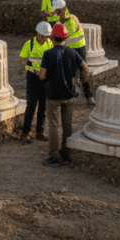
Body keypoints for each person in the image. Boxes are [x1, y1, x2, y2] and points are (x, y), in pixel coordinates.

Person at [37, 22, 89, 167]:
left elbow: (42, 75)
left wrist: (38, 73)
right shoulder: (73, 53)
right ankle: (66, 153)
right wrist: (81, 82)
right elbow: (85, 68)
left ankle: (53, 157)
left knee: (53, 125)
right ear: (66, 37)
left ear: (53, 37)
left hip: (53, 95)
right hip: (69, 95)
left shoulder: (48, 54)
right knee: (67, 125)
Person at [52, 0, 94, 106]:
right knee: (70, 72)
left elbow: (66, 33)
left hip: (80, 48)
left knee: (84, 70)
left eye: (58, 10)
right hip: (68, 50)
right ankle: (73, 91)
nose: (57, 13)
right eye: (56, 11)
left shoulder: (72, 18)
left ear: (64, 8)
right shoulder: (58, 23)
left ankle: (89, 95)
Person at [18, 21, 53, 143]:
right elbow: (22, 60)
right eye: (42, 36)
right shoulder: (29, 44)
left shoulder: (49, 43)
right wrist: (35, 70)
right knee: (32, 105)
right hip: (33, 77)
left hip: (45, 78)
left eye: (46, 36)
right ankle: (26, 132)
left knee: (43, 106)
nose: (44, 39)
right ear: (37, 33)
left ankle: (40, 131)